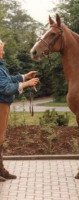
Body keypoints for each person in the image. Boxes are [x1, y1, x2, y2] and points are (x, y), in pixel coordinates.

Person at [0, 39, 39, 182]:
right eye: (1, 49)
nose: (3, 52)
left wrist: (24, 76)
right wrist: (26, 84)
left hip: (3, 105)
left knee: (0, 139)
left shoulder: (0, 66)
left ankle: (0, 169)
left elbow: (8, 80)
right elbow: (5, 89)